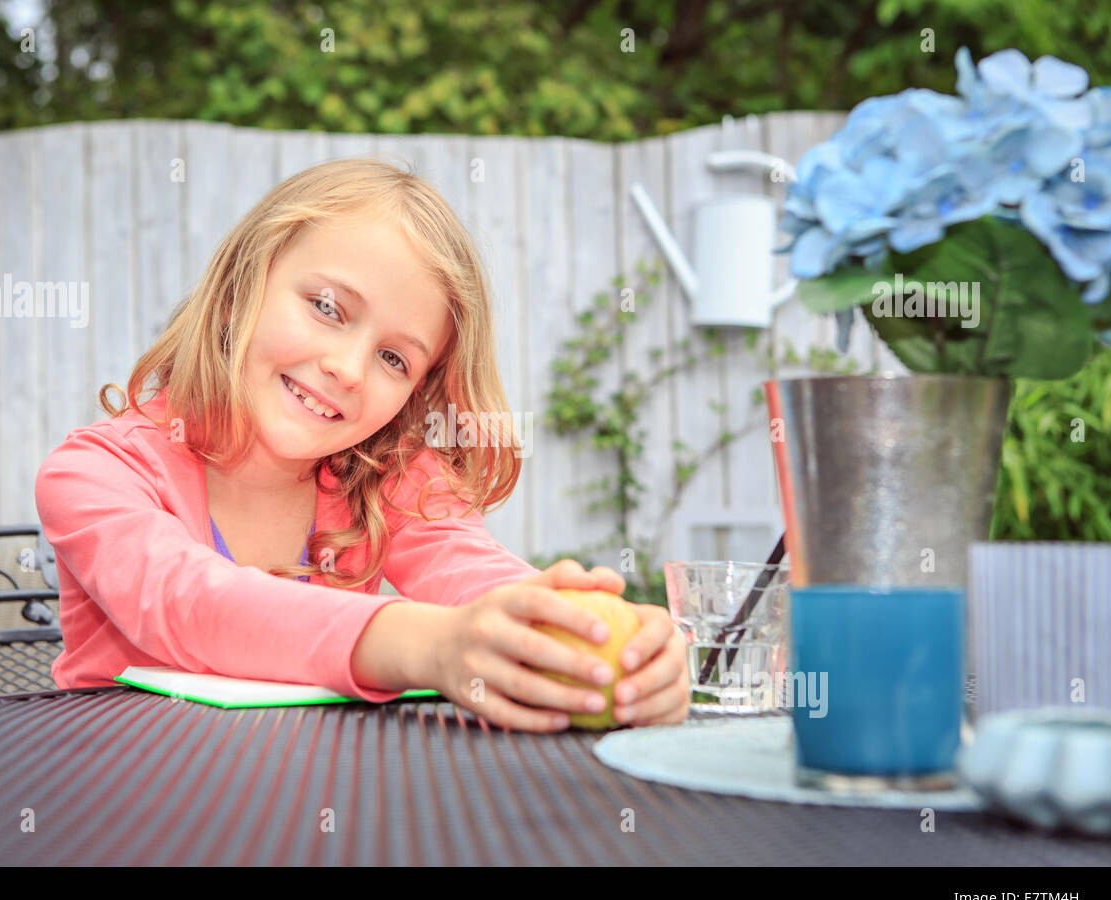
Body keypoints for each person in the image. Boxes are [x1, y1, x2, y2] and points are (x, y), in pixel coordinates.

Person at [34, 156, 688, 733]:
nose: (348, 368)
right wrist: (429, 645)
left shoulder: (387, 478)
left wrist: (577, 634)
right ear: (238, 291)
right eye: (327, 307)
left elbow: (473, 574)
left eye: (394, 359)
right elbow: (195, 607)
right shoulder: (93, 475)